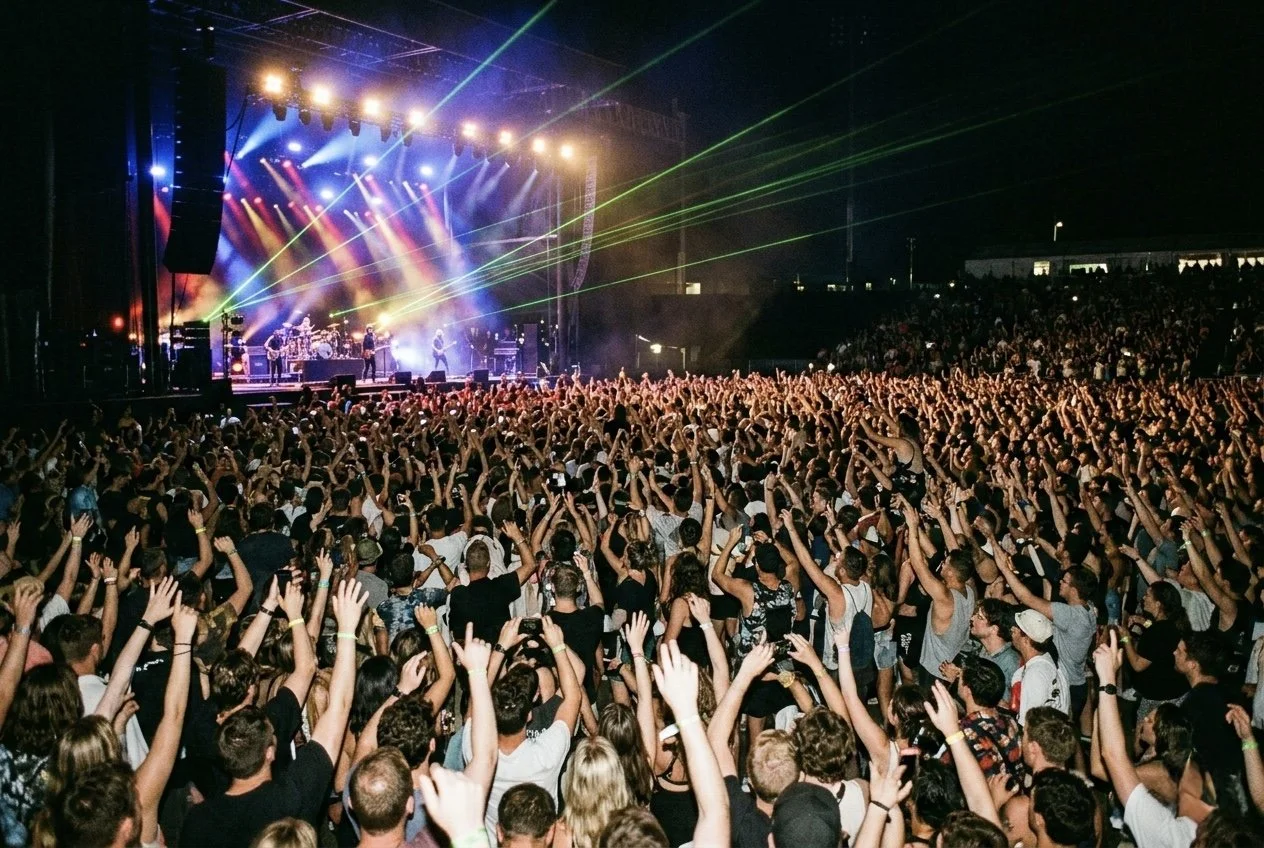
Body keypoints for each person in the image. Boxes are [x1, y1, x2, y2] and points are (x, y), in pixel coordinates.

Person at [180, 582, 368, 848]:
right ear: (270, 751)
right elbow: (334, 702)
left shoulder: (197, 821)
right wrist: (337, 627)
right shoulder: (292, 796)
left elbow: (233, 673)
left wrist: (268, 607)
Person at [1009, 609, 1069, 724]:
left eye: (1017, 628)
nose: (1013, 630)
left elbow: (1028, 723)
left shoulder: (1034, 674)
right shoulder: (1054, 662)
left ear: (1026, 640)